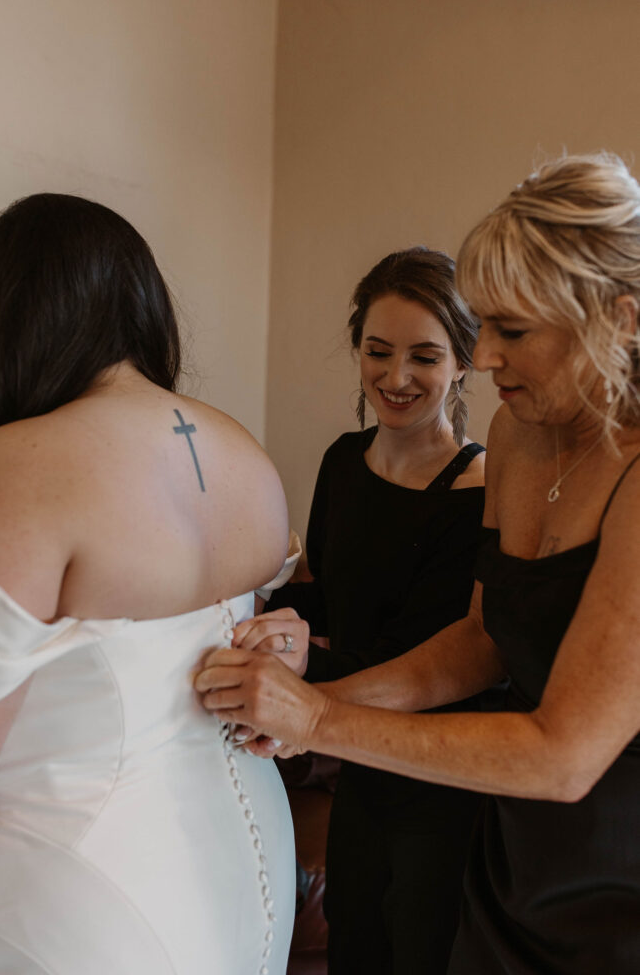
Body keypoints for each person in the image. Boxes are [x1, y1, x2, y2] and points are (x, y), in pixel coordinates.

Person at [197, 152, 640, 974]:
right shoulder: (519, 435)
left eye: (513, 331)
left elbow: (564, 755)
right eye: (483, 327)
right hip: (516, 850)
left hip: (616, 867)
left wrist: (322, 723)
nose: (484, 359)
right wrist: (304, 699)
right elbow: (480, 642)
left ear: (617, 320)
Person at [0, 193, 304, 975]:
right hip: (243, 862)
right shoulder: (240, 450)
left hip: (72, 889)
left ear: (10, 313)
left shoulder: (15, 464)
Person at [231, 247, 488, 975]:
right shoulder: (343, 459)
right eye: (377, 352)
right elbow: (327, 595)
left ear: (462, 362)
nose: (395, 377)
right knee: (353, 944)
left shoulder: (477, 489)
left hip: (434, 776)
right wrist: (258, 614)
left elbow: (426, 662)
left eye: (424, 357)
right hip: (357, 764)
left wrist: (301, 661)